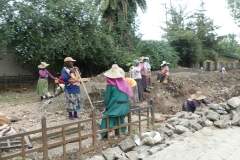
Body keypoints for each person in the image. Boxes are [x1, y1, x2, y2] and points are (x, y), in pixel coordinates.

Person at [100, 64, 132, 139]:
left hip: (115, 106)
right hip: (125, 106)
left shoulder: (110, 85)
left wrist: (107, 105)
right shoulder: (125, 83)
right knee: (120, 116)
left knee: (107, 116)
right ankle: (121, 131)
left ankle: (104, 134)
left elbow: (107, 99)